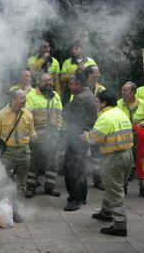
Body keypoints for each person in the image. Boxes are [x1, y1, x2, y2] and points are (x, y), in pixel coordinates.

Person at [81, 90, 133, 237]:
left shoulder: (105, 117)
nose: (96, 103)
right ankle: (106, 212)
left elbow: (94, 138)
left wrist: (86, 135)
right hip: (127, 155)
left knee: (115, 190)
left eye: (97, 101)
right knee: (115, 186)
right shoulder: (121, 113)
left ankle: (120, 225)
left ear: (104, 103)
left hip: (114, 157)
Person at [0, 89, 37, 222]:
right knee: (2, 183)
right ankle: (0, 212)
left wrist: (34, 136)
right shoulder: (1, 115)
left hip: (24, 153)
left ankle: (15, 211)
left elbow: (31, 131)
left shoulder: (28, 114)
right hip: (8, 154)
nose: (25, 100)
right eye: (22, 98)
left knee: (21, 185)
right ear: (13, 100)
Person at [62, 73, 97, 211]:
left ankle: (75, 199)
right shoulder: (88, 95)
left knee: (72, 168)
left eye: (71, 84)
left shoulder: (82, 98)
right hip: (83, 136)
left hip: (77, 137)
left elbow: (65, 112)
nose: (69, 86)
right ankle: (82, 197)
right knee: (80, 167)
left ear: (80, 84)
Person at [25, 73, 62, 198]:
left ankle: (49, 187)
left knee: (53, 162)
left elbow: (59, 115)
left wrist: (58, 130)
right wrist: (32, 133)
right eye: (46, 80)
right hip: (36, 137)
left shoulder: (55, 96)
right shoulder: (31, 96)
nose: (49, 83)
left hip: (52, 137)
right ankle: (30, 187)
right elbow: (27, 118)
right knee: (33, 163)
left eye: (50, 80)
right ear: (38, 82)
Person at [117, 81, 144, 192]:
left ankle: (142, 186)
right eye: (122, 90)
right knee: (124, 163)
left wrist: (141, 124)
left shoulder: (142, 103)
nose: (123, 93)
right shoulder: (118, 104)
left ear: (133, 92)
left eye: (126, 90)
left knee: (142, 161)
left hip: (140, 139)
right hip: (124, 138)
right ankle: (123, 187)